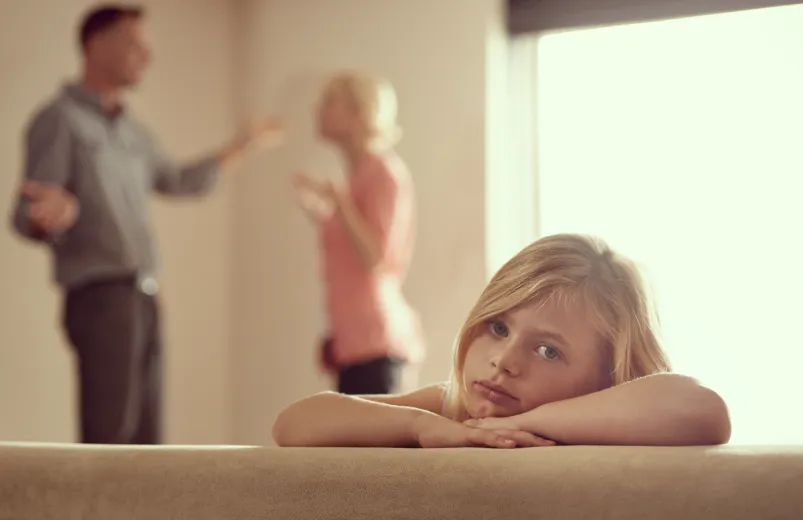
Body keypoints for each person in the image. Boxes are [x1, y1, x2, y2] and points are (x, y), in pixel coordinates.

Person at [9, 4, 282, 444]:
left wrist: (242, 146)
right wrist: (52, 217)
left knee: (147, 442)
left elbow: (178, 181)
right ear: (96, 45)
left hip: (144, 297)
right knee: (109, 441)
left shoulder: (133, 132)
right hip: (99, 299)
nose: (145, 57)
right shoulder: (59, 119)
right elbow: (25, 215)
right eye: (134, 46)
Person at [272, 233, 732, 448]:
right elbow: (295, 423)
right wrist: (418, 426)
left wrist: (541, 421)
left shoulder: (619, 421)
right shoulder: (453, 412)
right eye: (498, 328)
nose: (504, 361)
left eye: (548, 350)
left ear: (607, 378)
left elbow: (703, 410)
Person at [291, 72, 425, 395]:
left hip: (377, 347)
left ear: (360, 113)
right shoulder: (357, 178)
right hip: (351, 348)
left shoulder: (384, 174)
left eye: (330, 101)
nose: (317, 110)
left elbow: (377, 258)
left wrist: (340, 203)